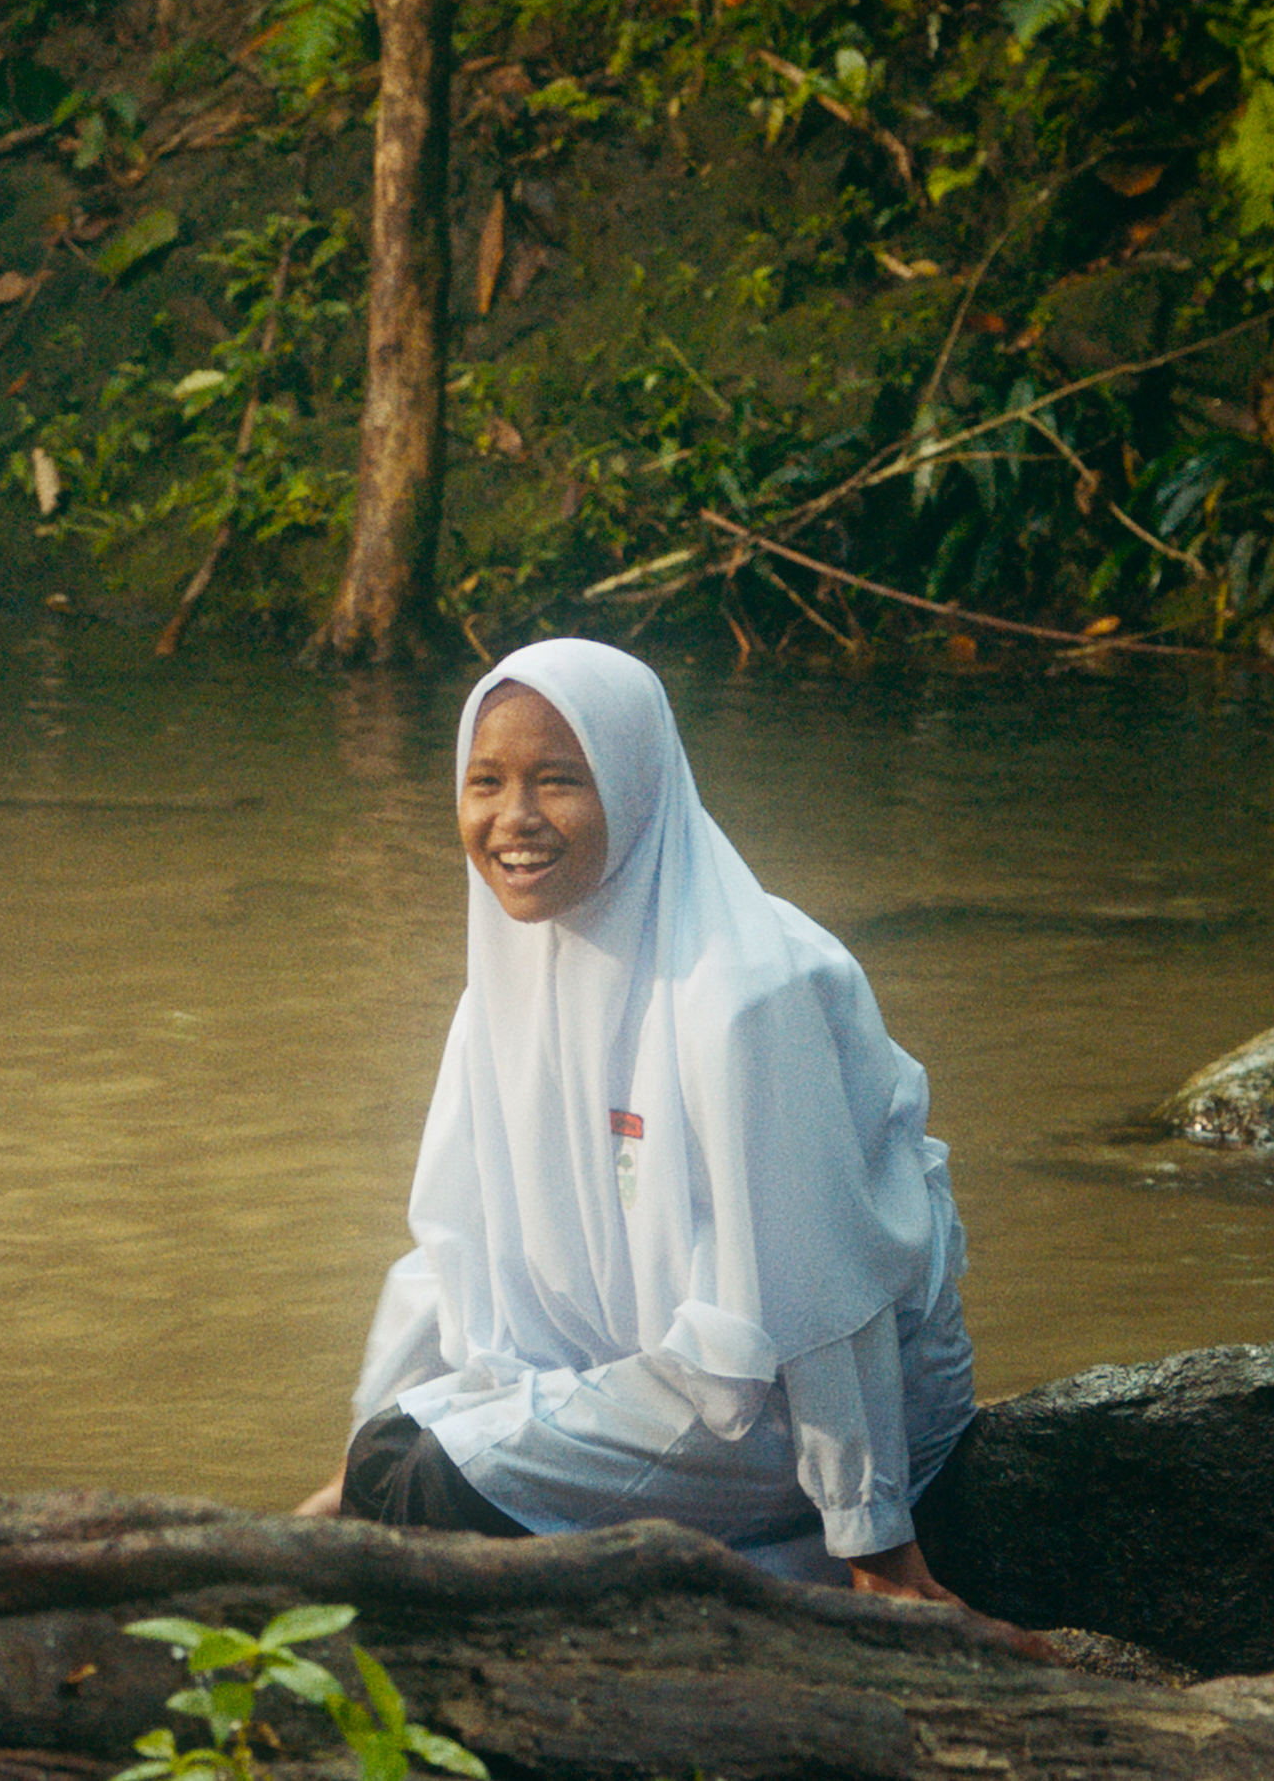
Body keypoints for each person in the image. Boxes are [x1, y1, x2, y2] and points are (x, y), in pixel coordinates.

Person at [295, 637, 997, 1610]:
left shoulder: (745, 993)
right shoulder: (507, 982)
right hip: (648, 1374)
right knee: (392, 1458)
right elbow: (451, 1247)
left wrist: (876, 1543)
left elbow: (823, 1296)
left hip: (789, 1410)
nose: (515, 820)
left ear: (634, 783)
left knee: (420, 1481)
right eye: (486, 782)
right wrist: (339, 1486)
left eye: (558, 781)